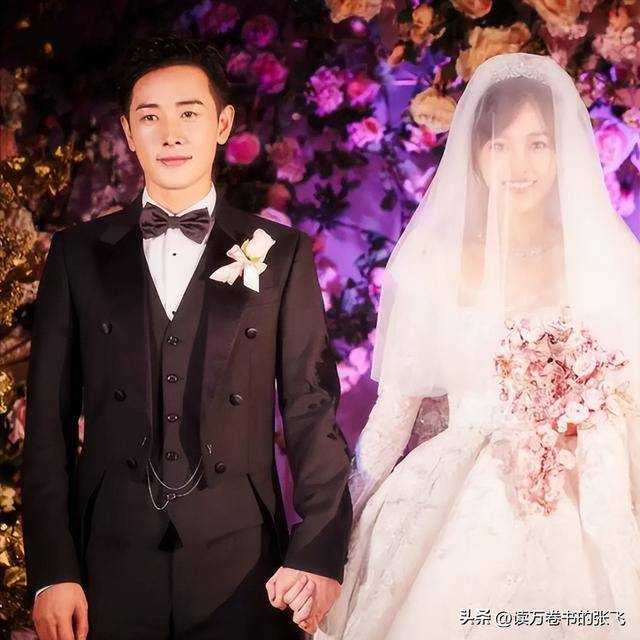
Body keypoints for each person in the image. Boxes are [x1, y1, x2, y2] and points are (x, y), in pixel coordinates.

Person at [22, 33, 352, 640]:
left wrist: (318, 550)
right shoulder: (76, 255)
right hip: (107, 562)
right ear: (128, 131)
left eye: (189, 113)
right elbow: (47, 425)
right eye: (150, 117)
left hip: (245, 561)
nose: (170, 134)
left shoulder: (280, 253)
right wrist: (52, 571)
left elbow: (311, 408)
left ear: (223, 124)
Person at [316, 52, 640, 639]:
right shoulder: (432, 264)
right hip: (455, 486)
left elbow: (631, 396)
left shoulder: (603, 260)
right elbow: (396, 411)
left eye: (538, 144)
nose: (519, 164)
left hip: (578, 490)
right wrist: (339, 524)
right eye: (499, 144)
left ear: (563, 153)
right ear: (473, 154)